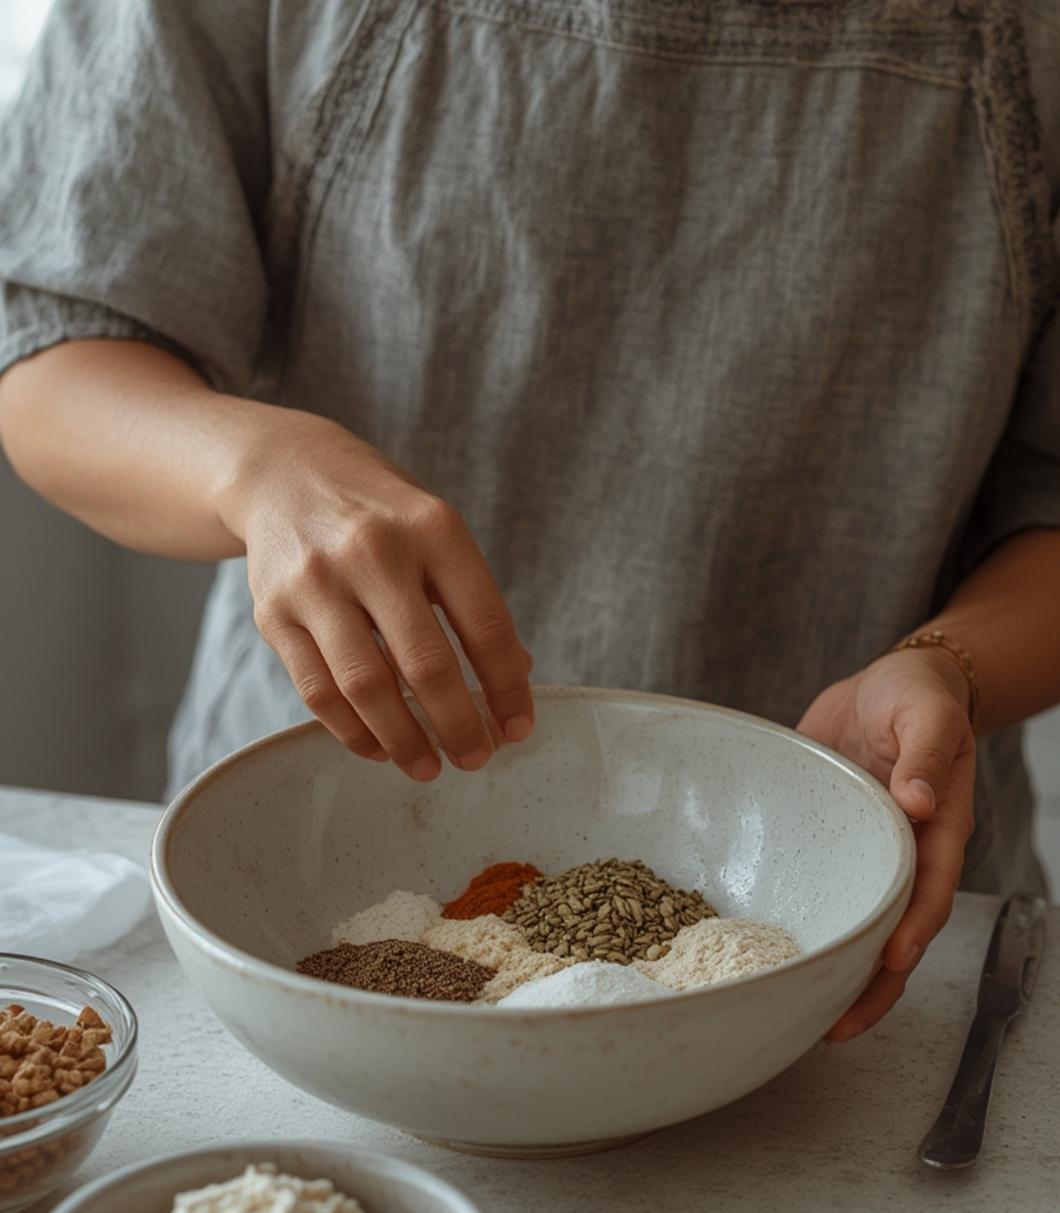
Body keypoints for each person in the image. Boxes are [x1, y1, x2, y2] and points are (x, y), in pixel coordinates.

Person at [1, 0, 1058, 1042]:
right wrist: (257, 467)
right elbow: (57, 345)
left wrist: (947, 664)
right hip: (303, 866)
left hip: (861, 896)